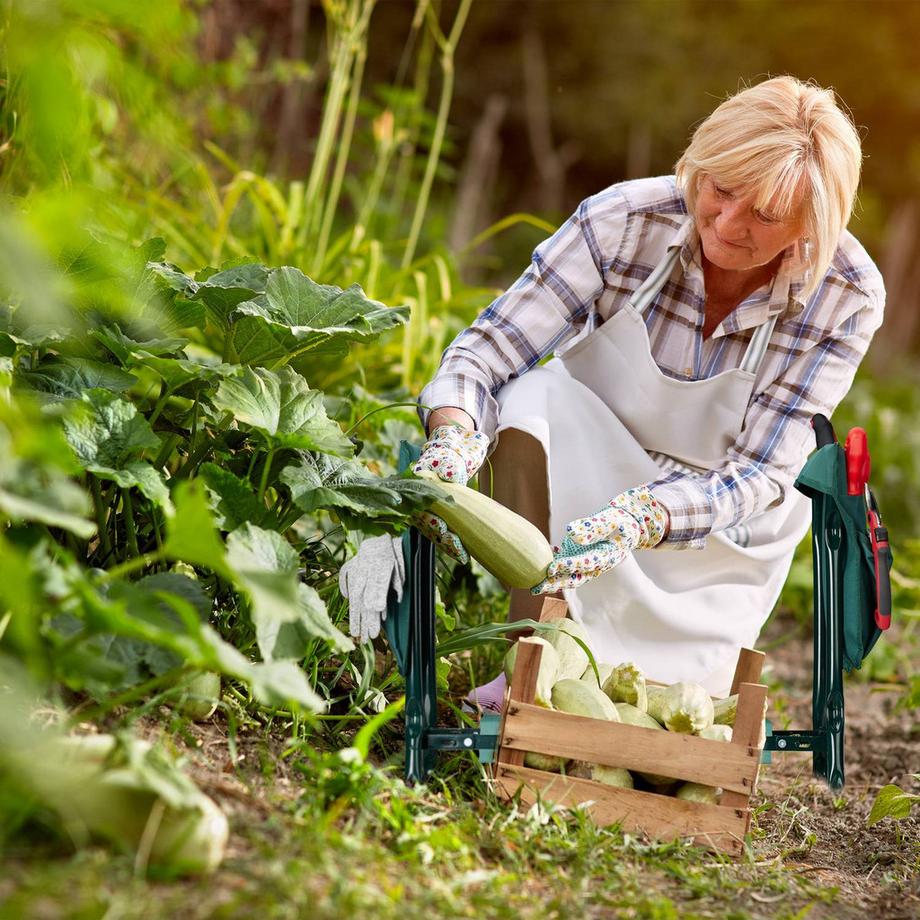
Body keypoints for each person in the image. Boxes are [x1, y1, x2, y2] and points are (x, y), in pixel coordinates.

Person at [412, 76, 886, 708]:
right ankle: (536, 644)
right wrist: (454, 432)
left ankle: (659, 680)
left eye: (766, 216)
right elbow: (487, 351)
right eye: (720, 189)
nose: (726, 222)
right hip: (590, 474)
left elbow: (760, 471)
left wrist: (648, 515)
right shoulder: (626, 220)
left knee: (666, 706)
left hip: (719, 521)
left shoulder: (845, 295)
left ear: (810, 225)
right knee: (532, 399)